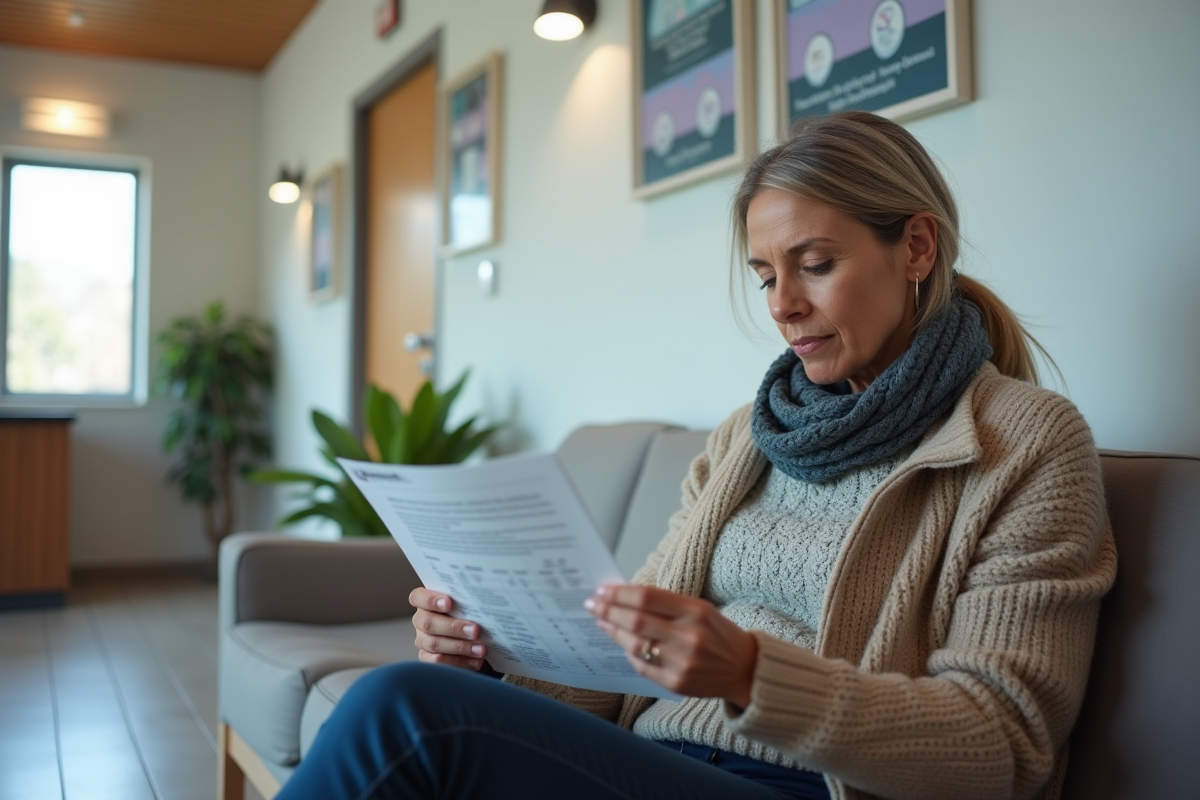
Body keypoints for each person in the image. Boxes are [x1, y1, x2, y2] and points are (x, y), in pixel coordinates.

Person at [276, 111, 1117, 800]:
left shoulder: (1026, 443)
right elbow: (620, 674)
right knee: (427, 696)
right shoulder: (748, 437)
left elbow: (1007, 744)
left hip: (810, 788)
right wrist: (494, 657)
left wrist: (754, 675)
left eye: (815, 265)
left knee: (404, 712)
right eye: (764, 276)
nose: (784, 306)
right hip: (656, 761)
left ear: (918, 249)